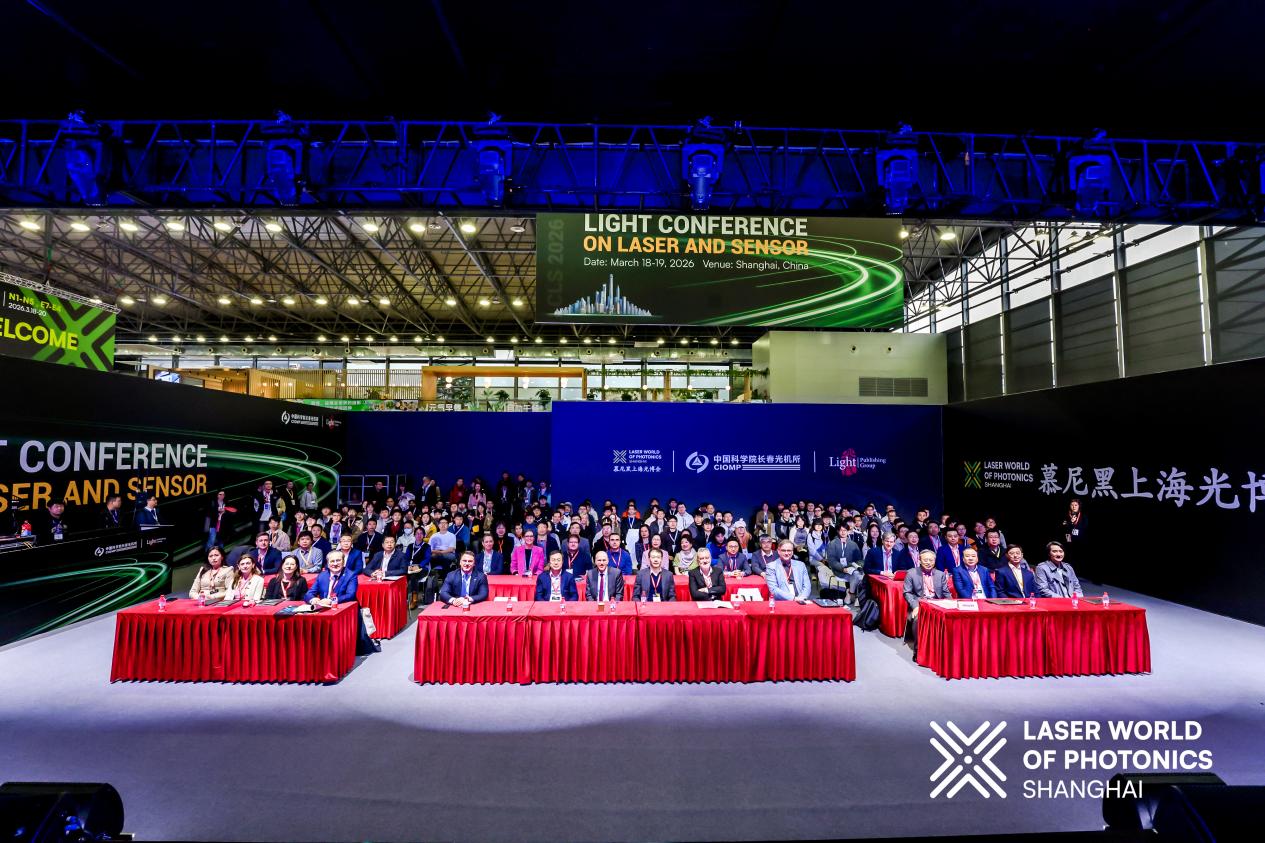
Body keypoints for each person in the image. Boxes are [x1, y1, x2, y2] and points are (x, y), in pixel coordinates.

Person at [903, 549, 951, 658]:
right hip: (920, 604)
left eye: (931, 560)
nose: (928, 562)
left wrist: (952, 605)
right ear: (920, 561)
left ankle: (945, 649)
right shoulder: (911, 573)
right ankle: (918, 650)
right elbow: (907, 593)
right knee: (918, 619)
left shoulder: (940, 574)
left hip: (937, 604)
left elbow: (946, 593)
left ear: (934, 561)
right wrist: (915, 606)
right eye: (925, 560)